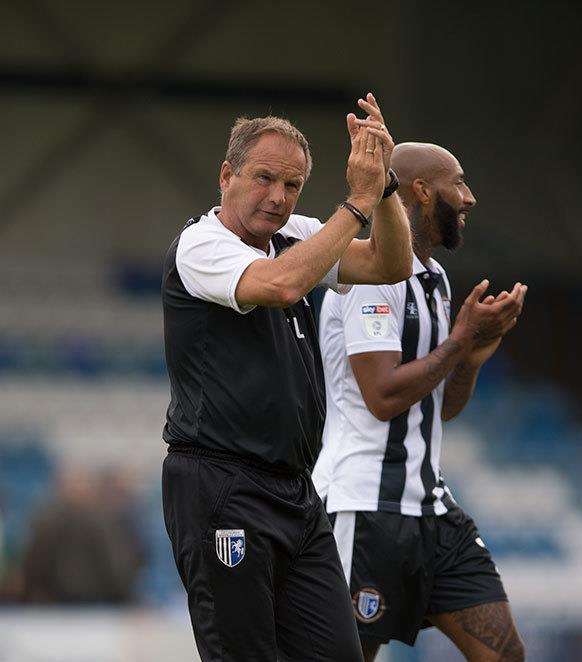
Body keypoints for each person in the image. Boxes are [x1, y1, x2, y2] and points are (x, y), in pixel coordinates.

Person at [161, 94, 412, 661]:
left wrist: (386, 184)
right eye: (264, 178)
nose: (277, 197)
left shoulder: (294, 234)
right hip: (222, 485)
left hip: (296, 491)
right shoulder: (201, 245)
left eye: (292, 185)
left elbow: (389, 265)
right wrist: (358, 201)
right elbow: (281, 285)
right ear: (226, 176)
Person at [310, 142, 527, 661]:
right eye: (459, 183)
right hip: (365, 507)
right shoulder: (369, 278)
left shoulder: (436, 280)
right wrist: (458, 342)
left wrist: (470, 357)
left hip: (431, 508)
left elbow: (440, 407)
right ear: (423, 191)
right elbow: (383, 396)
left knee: (506, 654)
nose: (469, 198)